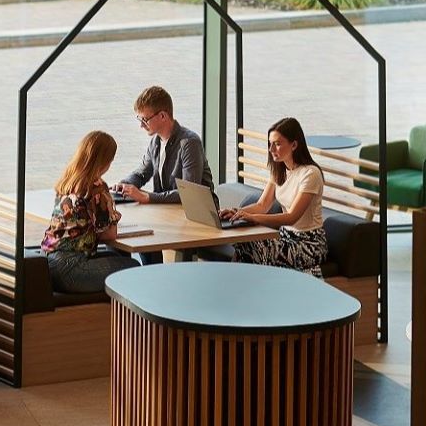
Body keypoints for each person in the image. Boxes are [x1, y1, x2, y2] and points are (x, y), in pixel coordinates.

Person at [115, 85, 213, 266]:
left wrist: (147, 197)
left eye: (145, 119)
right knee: (133, 236)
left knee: (143, 238)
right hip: (168, 211)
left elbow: (188, 194)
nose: (141, 125)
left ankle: (155, 277)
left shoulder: (189, 143)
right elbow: (142, 172)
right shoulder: (156, 142)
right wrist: (124, 184)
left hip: (196, 216)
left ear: (162, 116)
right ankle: (151, 277)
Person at [221, 117, 328, 278]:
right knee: (242, 242)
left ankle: (240, 287)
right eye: (270, 143)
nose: (271, 149)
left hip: (308, 243)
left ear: (294, 144)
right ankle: (238, 288)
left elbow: (292, 217)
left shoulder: (310, 174)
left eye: (277, 143)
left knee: (252, 247)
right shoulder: (279, 170)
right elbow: (262, 205)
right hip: (285, 237)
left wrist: (253, 218)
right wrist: (236, 212)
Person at [41, 131, 138, 293]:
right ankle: (136, 317)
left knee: (119, 259)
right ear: (105, 160)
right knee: (135, 269)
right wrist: (112, 215)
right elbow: (109, 235)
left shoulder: (68, 181)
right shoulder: (96, 187)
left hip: (48, 263)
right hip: (71, 269)